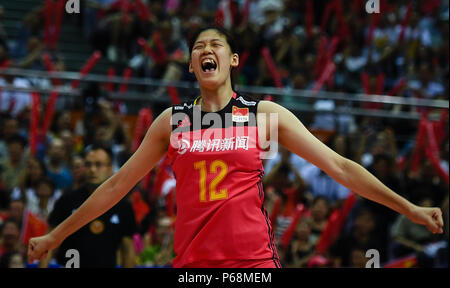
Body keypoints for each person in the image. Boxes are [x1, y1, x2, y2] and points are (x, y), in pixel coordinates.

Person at [28, 25, 444, 268]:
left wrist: (410, 208)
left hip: (254, 265)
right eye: (198, 47)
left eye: (216, 45)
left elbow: (340, 167)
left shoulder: (263, 114)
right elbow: (117, 186)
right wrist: (56, 236)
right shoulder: (172, 122)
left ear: (233, 61)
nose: (206, 50)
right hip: (193, 267)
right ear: (192, 66)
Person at [41, 144, 137, 268]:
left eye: (98, 165)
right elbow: (48, 242)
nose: (92, 169)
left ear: (110, 168)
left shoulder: (123, 207)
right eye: (88, 164)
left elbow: (128, 250)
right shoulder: (67, 200)